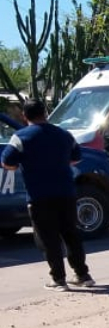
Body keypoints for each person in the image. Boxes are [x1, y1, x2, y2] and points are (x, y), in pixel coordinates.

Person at [1, 99, 95, 291]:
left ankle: (58, 279)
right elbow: (76, 158)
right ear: (45, 113)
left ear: (24, 116)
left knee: (47, 237)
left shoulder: (20, 137)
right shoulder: (64, 134)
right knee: (71, 234)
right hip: (66, 193)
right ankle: (83, 275)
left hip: (39, 195)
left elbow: (7, 162)